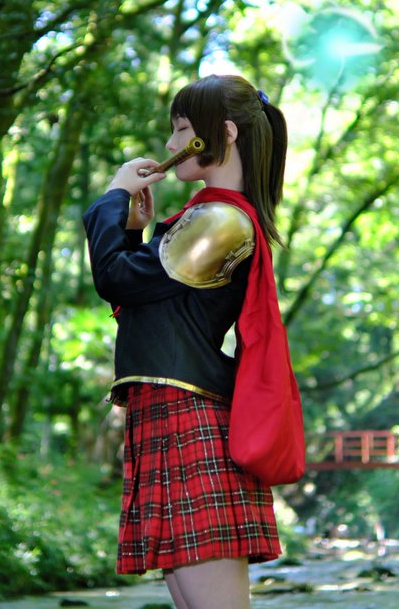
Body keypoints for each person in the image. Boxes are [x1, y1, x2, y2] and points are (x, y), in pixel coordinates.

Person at [82, 74, 289, 609]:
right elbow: (145, 300)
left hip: (189, 416)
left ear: (223, 133)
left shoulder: (220, 220)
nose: (171, 144)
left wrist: (113, 197)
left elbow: (116, 279)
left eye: (180, 129)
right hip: (173, 411)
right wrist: (131, 229)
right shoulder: (207, 216)